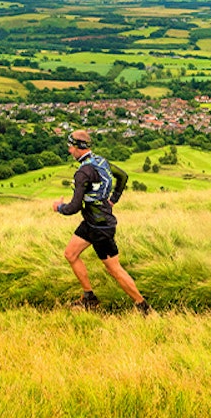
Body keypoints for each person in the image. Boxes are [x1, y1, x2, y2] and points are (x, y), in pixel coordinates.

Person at [52, 130, 152, 314]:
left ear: (78, 147)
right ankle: (89, 298)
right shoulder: (100, 161)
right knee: (70, 254)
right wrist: (114, 198)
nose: (69, 150)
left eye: (71, 147)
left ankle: (143, 307)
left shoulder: (83, 172)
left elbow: (74, 207)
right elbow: (122, 176)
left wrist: (58, 207)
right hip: (91, 223)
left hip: (100, 227)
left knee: (114, 269)